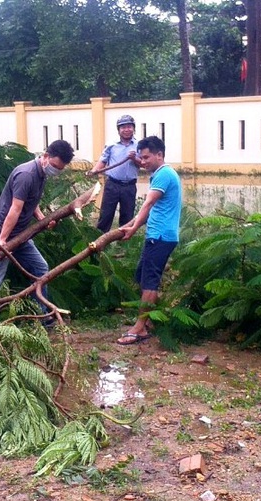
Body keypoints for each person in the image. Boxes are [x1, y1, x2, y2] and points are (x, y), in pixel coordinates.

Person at [0, 140, 75, 316]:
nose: (55, 170)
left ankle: (42, 315)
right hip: (1, 234)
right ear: (45, 156)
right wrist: (2, 241)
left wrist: (42, 219)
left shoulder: (41, 174)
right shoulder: (26, 174)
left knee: (41, 269)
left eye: (59, 169)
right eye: (53, 166)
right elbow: (15, 209)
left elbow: (32, 202)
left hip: (20, 236)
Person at [116, 136, 181, 345]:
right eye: (141, 158)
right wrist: (131, 224)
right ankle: (151, 320)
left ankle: (139, 328)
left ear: (159, 154)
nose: (142, 162)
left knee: (149, 283)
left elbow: (148, 204)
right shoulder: (161, 174)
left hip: (161, 237)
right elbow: (151, 211)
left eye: (146, 157)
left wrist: (133, 228)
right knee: (143, 277)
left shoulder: (163, 174)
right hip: (157, 235)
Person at [89, 115, 142, 233]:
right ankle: (99, 244)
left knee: (127, 217)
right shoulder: (111, 145)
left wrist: (134, 158)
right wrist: (93, 171)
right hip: (112, 185)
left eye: (129, 126)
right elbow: (102, 161)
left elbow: (143, 164)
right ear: (118, 130)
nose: (126, 129)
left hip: (129, 186)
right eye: (123, 127)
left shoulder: (139, 146)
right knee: (105, 216)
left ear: (134, 129)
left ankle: (123, 246)